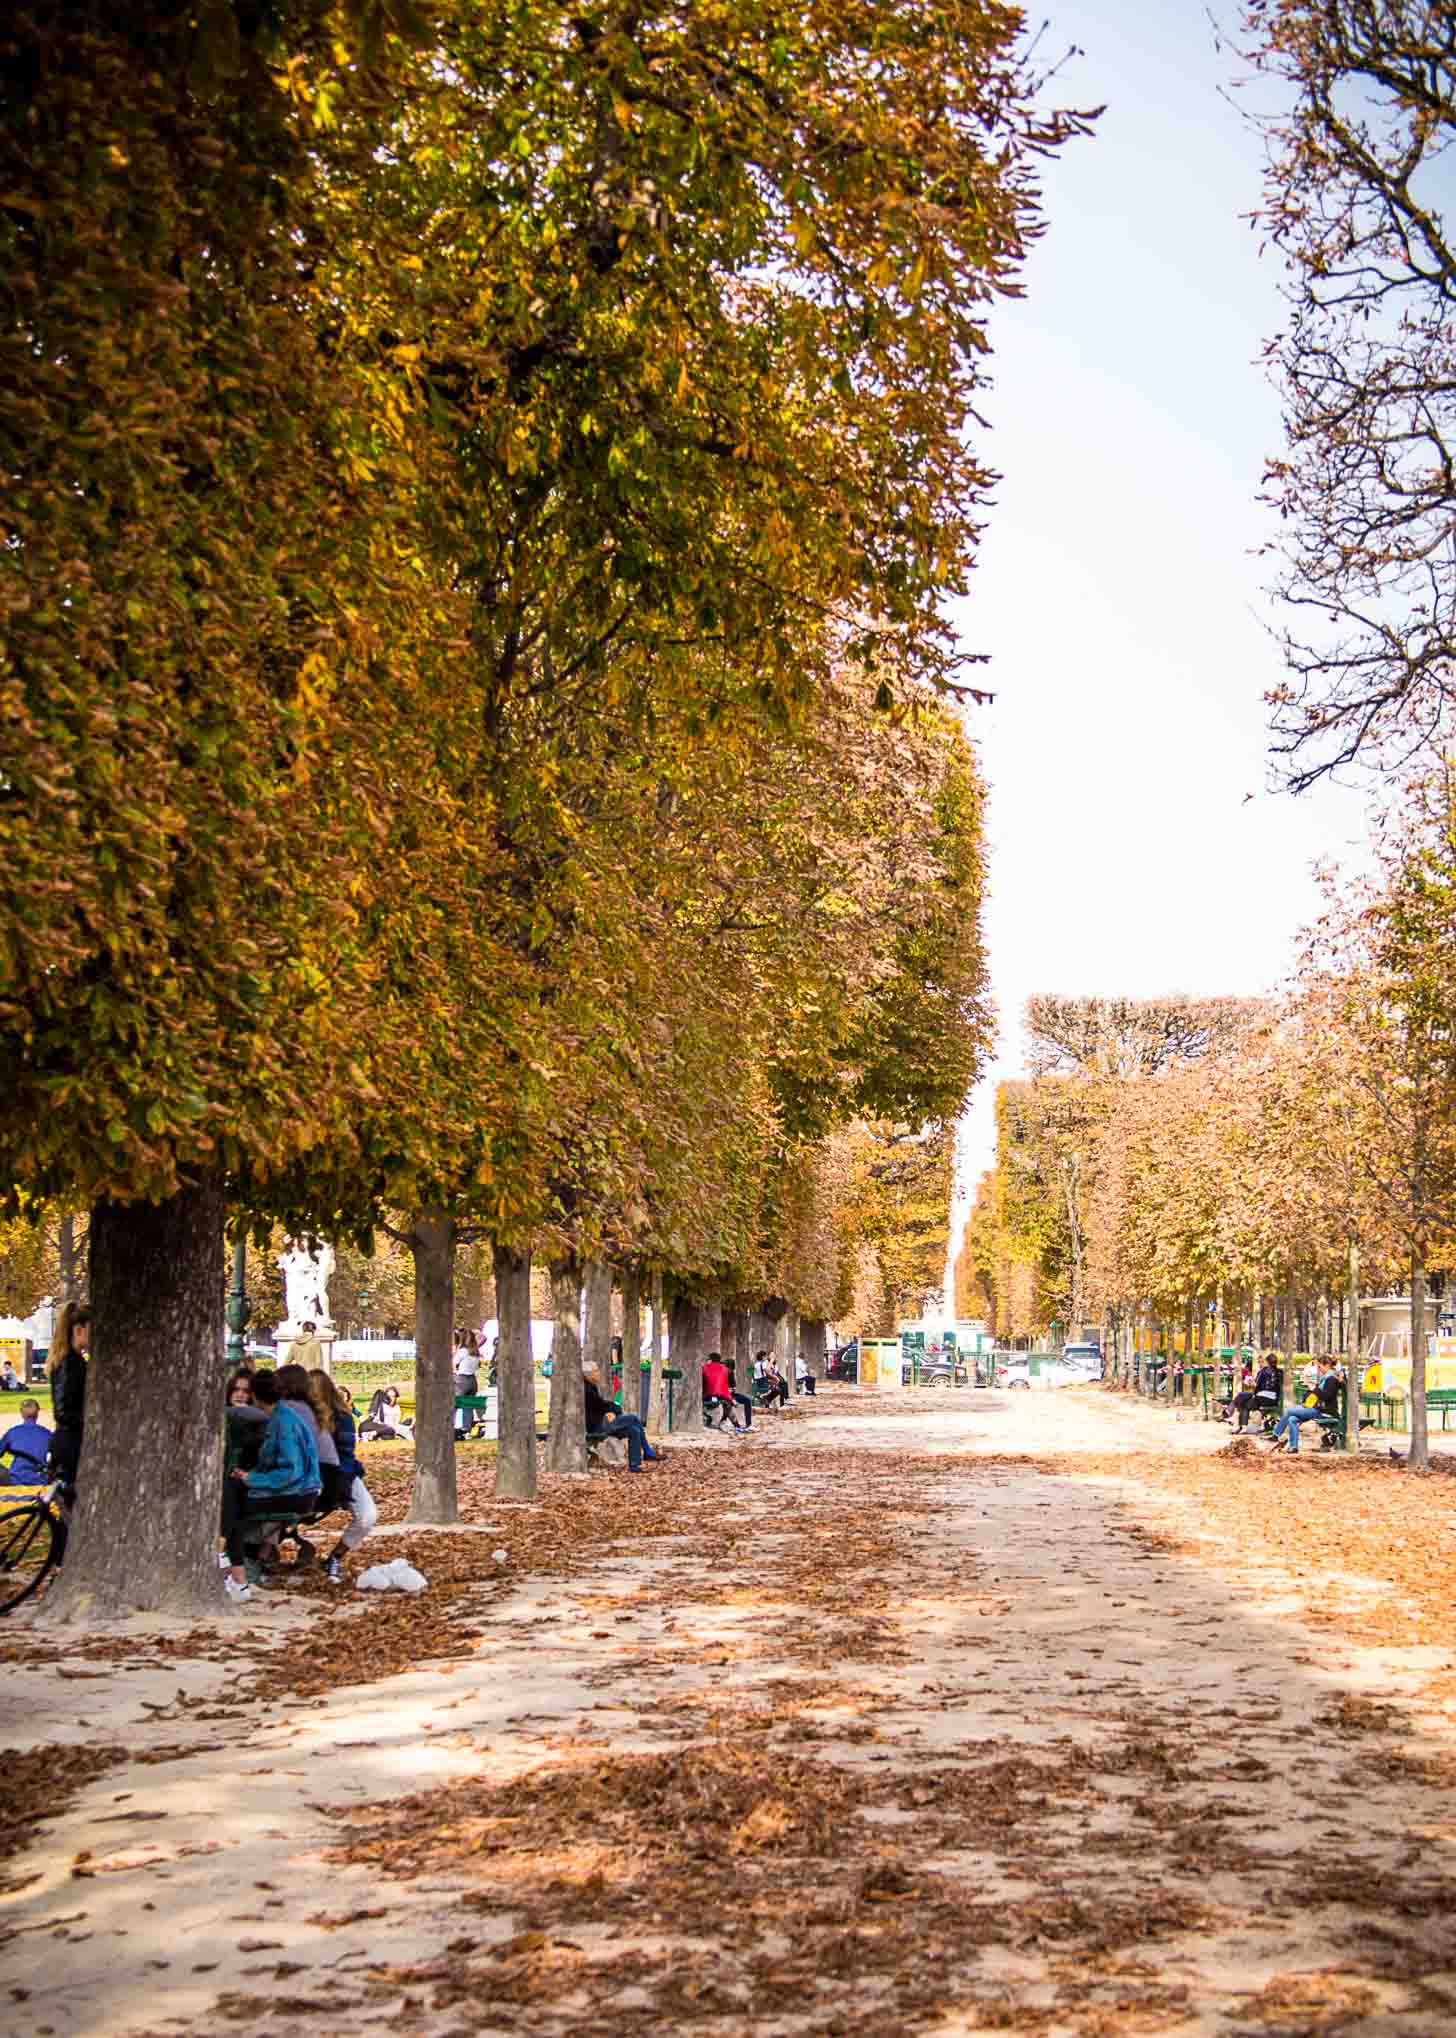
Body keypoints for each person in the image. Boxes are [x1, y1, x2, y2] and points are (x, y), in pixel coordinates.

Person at [220, 1367, 321, 1601]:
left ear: (255, 1396)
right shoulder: (280, 1416)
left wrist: (251, 1478)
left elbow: (290, 1471)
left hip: (298, 1492)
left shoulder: (283, 1423)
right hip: (297, 1488)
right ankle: (235, 1567)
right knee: (233, 1495)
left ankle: (237, 1571)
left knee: (235, 1500)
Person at [312, 1370, 377, 1583]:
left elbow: (346, 1455)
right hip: (309, 1476)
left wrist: (343, 1482)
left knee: (367, 1515)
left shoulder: (343, 1418)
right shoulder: (301, 1416)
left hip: (342, 1474)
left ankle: (335, 1557)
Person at [583, 1366, 662, 1472]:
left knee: (634, 1430)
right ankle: (647, 1451)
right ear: (588, 1374)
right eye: (596, 1371)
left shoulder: (591, 1387)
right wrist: (615, 1409)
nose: (598, 1373)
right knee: (633, 1418)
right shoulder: (585, 1389)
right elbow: (600, 1405)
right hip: (597, 1427)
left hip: (602, 1423)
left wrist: (609, 1411)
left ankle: (635, 1466)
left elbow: (600, 1406)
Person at [47, 1301, 91, 1490]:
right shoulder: (70, 1364)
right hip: (70, 1445)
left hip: (68, 1442)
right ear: (79, 1329)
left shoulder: (72, 1360)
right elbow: (62, 1411)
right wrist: (88, 1422)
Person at [1265, 1358, 1341, 1456]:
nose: (1318, 1369)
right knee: (1292, 1419)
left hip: (1324, 1411)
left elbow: (1326, 1396)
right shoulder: (1326, 1378)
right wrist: (1311, 1388)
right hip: (1317, 1409)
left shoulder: (1331, 1379)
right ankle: (1293, 1447)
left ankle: (1276, 1435)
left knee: (1289, 1411)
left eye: (1319, 1366)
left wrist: (1314, 1388)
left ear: (1326, 1365)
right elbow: (1319, 1394)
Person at [0, 1399, 52, 1485]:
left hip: (15, 1479)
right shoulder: (47, 1434)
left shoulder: (13, 1432)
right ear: (38, 1413)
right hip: (39, 1479)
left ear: (21, 1413)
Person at [1231, 1354, 1281, 1433]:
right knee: (1242, 1397)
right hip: (1274, 1399)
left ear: (1267, 1362)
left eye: (1261, 1362)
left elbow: (1257, 1386)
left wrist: (1252, 1384)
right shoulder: (1280, 1372)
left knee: (1243, 1402)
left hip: (1263, 1398)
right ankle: (1234, 1418)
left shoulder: (1263, 1371)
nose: (1260, 1364)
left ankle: (1241, 1425)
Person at [702, 1352, 748, 1434]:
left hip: (706, 1396)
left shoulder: (704, 1368)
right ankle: (737, 1426)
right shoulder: (725, 1370)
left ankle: (712, 1420)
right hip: (721, 1396)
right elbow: (724, 1388)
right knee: (727, 1404)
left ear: (710, 1360)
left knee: (725, 1402)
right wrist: (731, 1400)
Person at [453, 1328, 481, 1396]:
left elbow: (453, 1362)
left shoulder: (463, 1351)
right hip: (473, 1381)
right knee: (468, 1405)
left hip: (462, 1381)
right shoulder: (476, 1352)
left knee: (454, 1403)